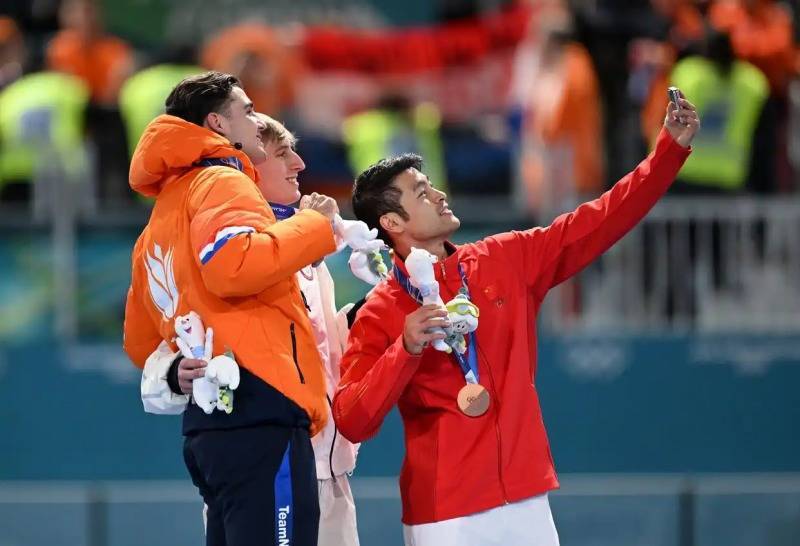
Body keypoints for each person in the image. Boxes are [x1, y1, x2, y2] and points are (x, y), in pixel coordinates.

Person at [332, 97, 700, 545]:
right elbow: (352, 419)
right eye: (422, 193)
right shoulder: (381, 310)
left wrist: (668, 153)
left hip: (526, 499)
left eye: (433, 186)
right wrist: (404, 349)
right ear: (392, 221)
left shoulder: (505, 258)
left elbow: (601, 220)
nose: (440, 195)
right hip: (445, 511)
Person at [123, 71, 339, 546]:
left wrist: (175, 368)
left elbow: (140, 340)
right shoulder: (223, 180)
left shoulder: (160, 216)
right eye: (247, 110)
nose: (256, 120)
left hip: (210, 427)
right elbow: (232, 266)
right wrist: (312, 226)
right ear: (217, 123)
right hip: (262, 408)